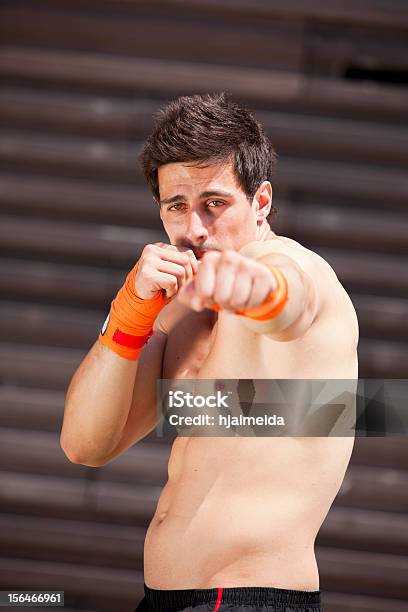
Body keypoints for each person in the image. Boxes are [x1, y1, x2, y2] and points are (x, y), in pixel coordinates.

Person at [61, 92, 359, 612]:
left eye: (214, 204)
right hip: (166, 598)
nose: (194, 229)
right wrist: (130, 315)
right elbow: (88, 445)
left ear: (261, 201)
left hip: (250, 597)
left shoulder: (290, 263)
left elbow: (291, 300)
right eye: (176, 206)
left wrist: (254, 290)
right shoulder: (176, 309)